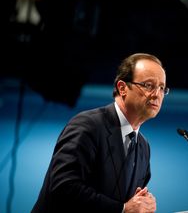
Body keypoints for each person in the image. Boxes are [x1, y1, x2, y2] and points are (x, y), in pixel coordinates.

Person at [32, 53, 169, 213]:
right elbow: (64, 187)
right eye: (148, 85)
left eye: (161, 87)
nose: (157, 94)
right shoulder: (87, 125)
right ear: (123, 88)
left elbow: (130, 202)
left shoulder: (144, 148)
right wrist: (122, 209)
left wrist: (143, 204)